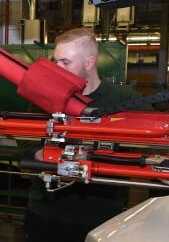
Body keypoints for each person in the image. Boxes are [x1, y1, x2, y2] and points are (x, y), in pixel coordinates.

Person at [18, 27, 153, 242]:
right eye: (56, 61)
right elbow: (23, 143)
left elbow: (157, 143)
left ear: (89, 63)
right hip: (46, 214)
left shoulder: (124, 102)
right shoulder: (43, 99)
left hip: (102, 218)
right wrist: (39, 154)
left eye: (65, 62)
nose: (57, 68)